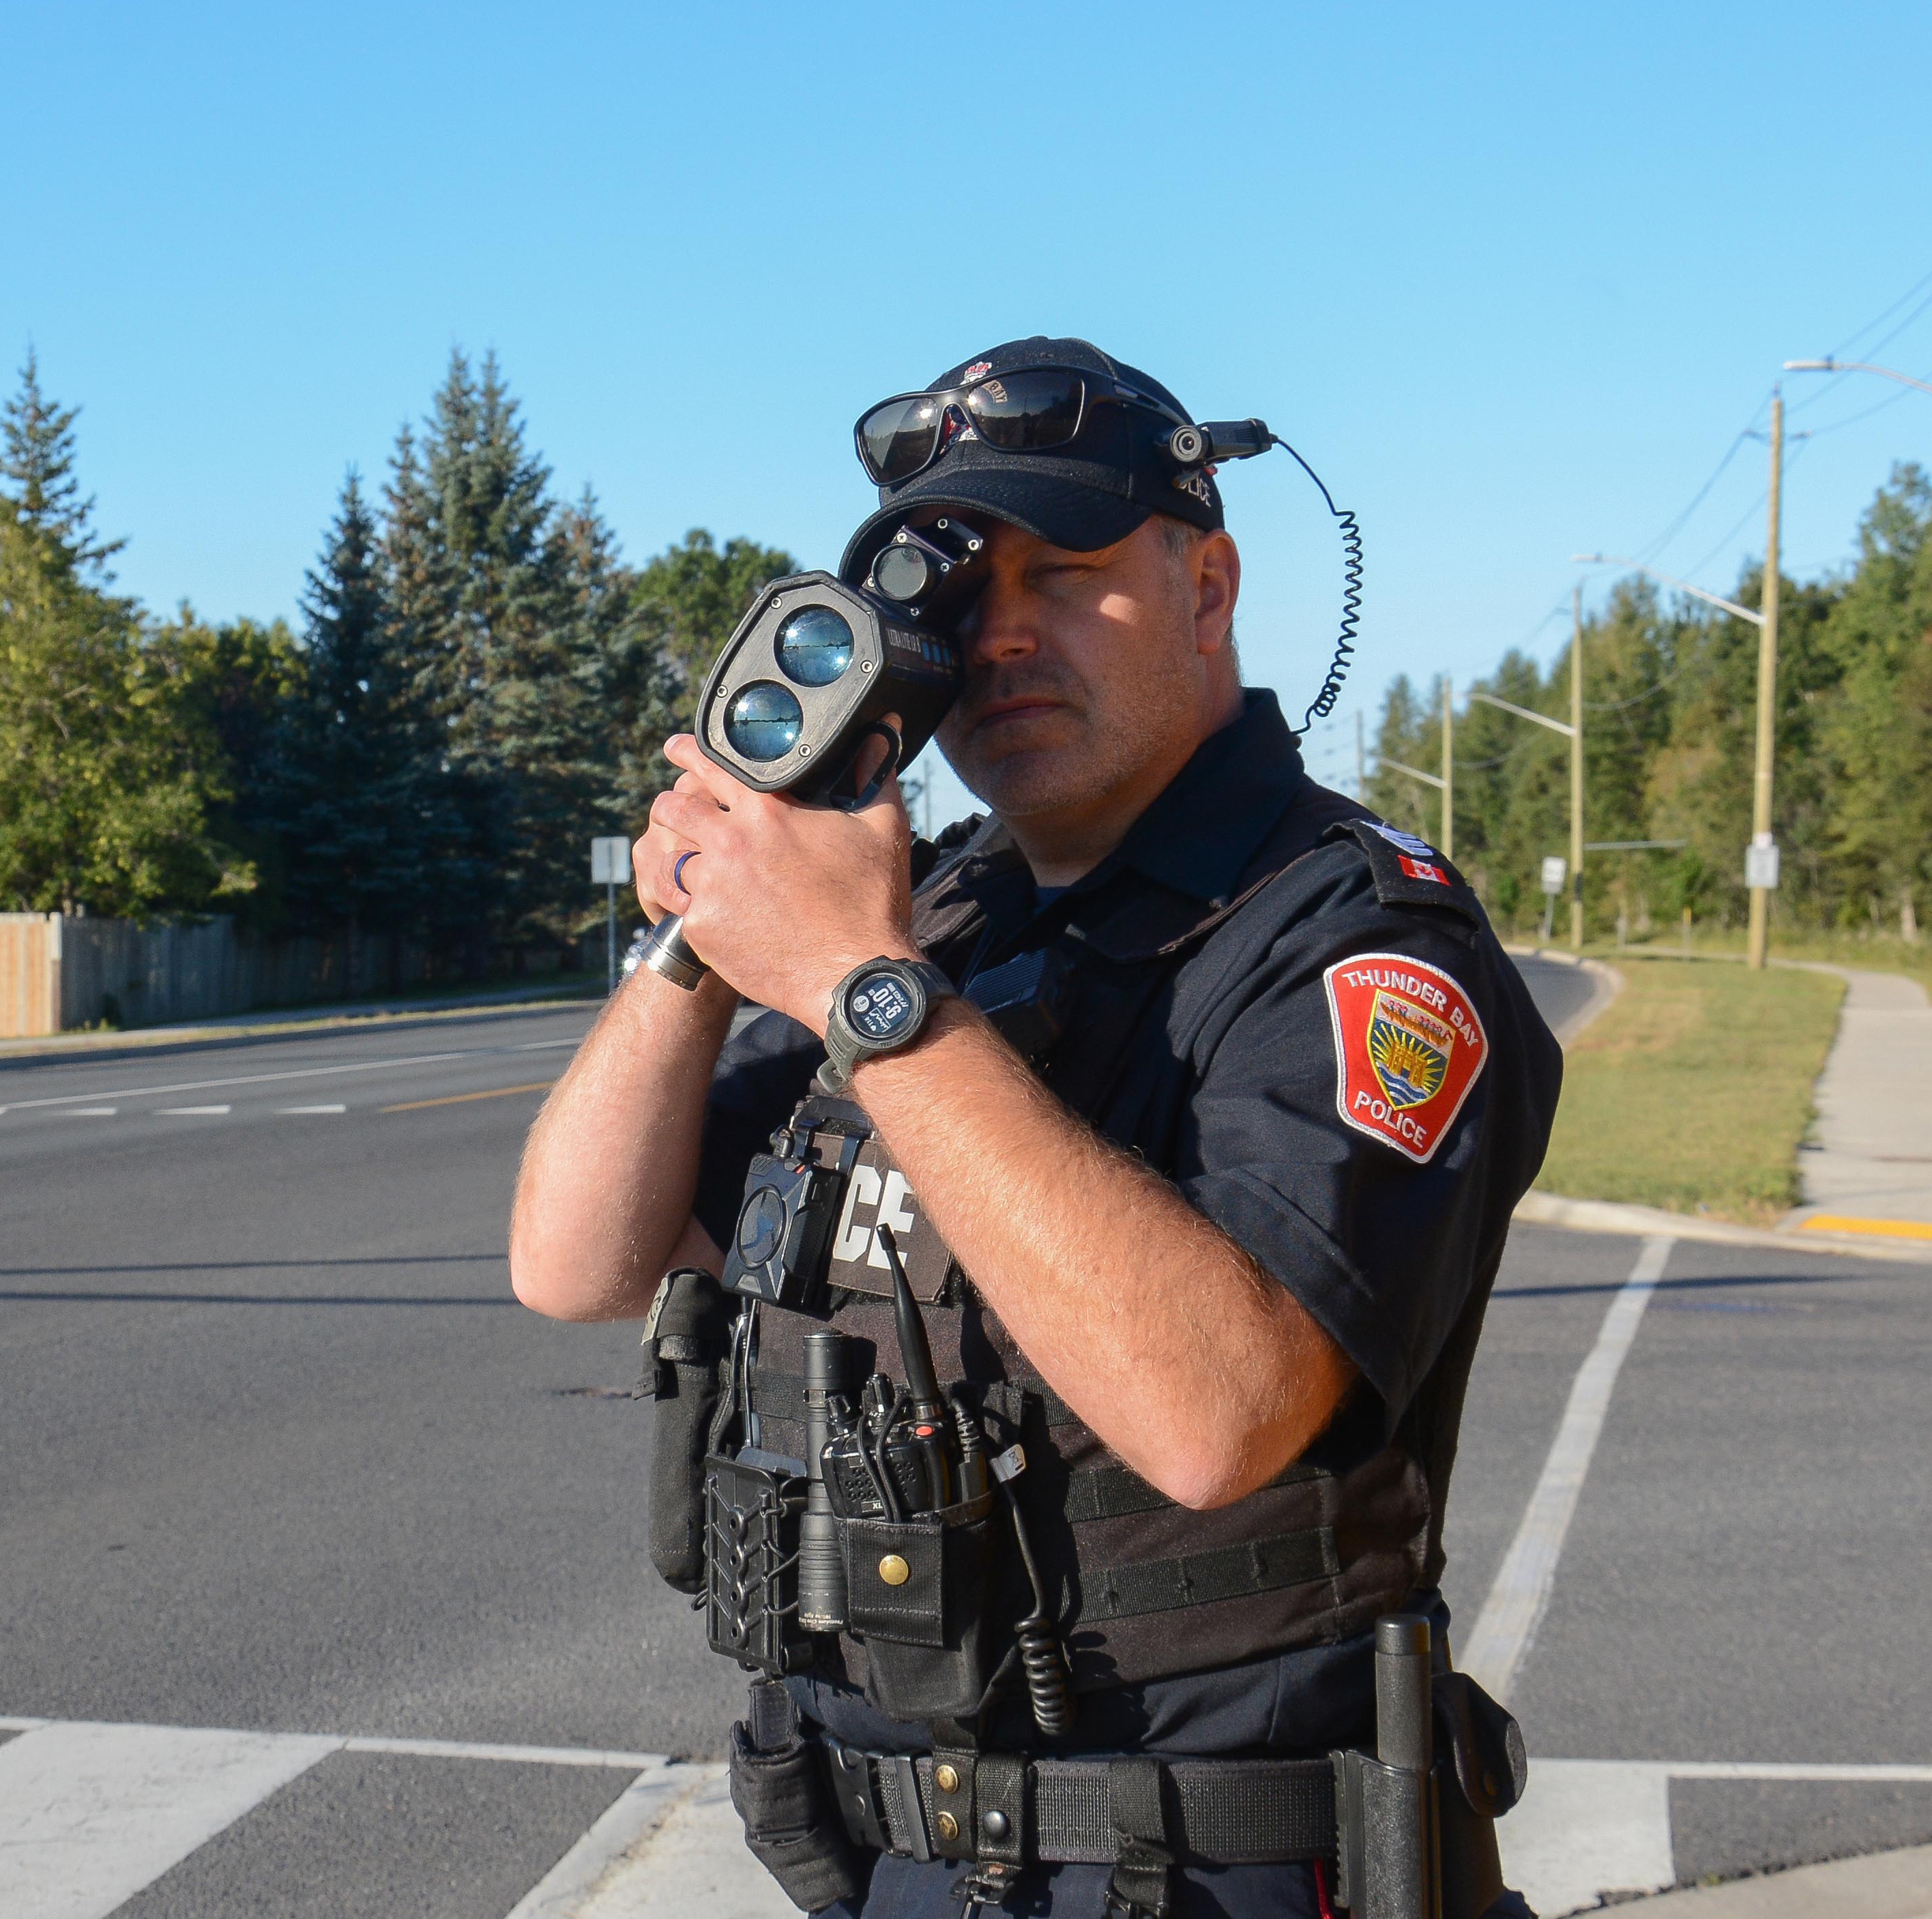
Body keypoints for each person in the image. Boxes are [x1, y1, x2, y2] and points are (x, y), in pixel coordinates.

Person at [509, 338, 1562, 1918]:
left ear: (1207, 586)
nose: (997, 635)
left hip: (1209, 1863)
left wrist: (872, 994)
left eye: (1064, 574)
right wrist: (703, 937)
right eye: (954, 597)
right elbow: (576, 1257)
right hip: (893, 1849)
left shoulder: (1347, 933)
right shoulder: (933, 908)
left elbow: (1220, 1411)